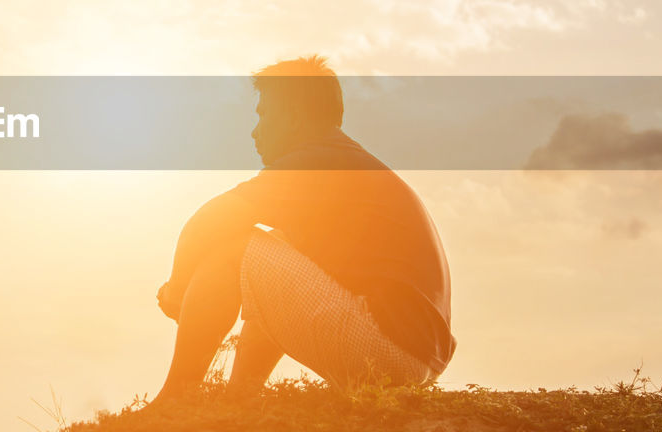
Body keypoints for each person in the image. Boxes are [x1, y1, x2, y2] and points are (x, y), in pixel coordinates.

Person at [153, 56, 456, 400]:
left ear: (294, 115)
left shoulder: (316, 161)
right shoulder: (345, 161)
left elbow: (209, 220)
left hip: (385, 348)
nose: (255, 130)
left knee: (232, 246)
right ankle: (240, 395)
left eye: (263, 114)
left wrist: (177, 290)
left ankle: (176, 396)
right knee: (277, 248)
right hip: (416, 360)